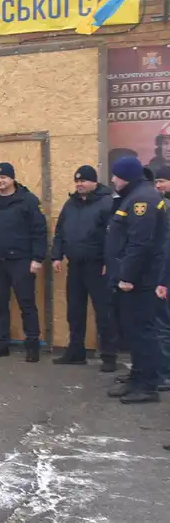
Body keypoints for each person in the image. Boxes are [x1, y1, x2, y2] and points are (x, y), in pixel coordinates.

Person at [0, 162, 47, 362]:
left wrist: (37, 258)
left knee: (27, 304)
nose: (0, 181)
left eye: (3, 177)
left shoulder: (28, 200)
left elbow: (39, 231)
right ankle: (1, 344)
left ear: (12, 179)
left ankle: (32, 345)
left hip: (21, 261)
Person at [104, 156, 165, 404]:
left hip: (139, 281)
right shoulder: (134, 195)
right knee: (133, 331)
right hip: (132, 278)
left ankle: (148, 386)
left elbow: (140, 243)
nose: (113, 180)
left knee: (142, 332)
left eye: (116, 176)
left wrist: (127, 276)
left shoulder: (142, 199)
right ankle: (137, 378)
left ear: (126, 176)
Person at [50, 166, 119, 371]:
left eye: (84, 181)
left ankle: (109, 356)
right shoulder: (70, 204)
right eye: (77, 181)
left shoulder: (108, 203)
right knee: (75, 310)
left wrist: (110, 261)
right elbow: (60, 232)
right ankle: (76, 351)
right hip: (76, 265)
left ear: (94, 182)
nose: (80, 184)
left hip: (98, 266)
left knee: (104, 312)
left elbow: (115, 235)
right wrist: (57, 256)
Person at [150, 165, 170, 392]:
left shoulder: (165, 208)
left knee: (163, 325)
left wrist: (162, 280)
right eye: (156, 182)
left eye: (162, 181)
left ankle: (165, 374)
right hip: (162, 272)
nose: (158, 186)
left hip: (165, 273)